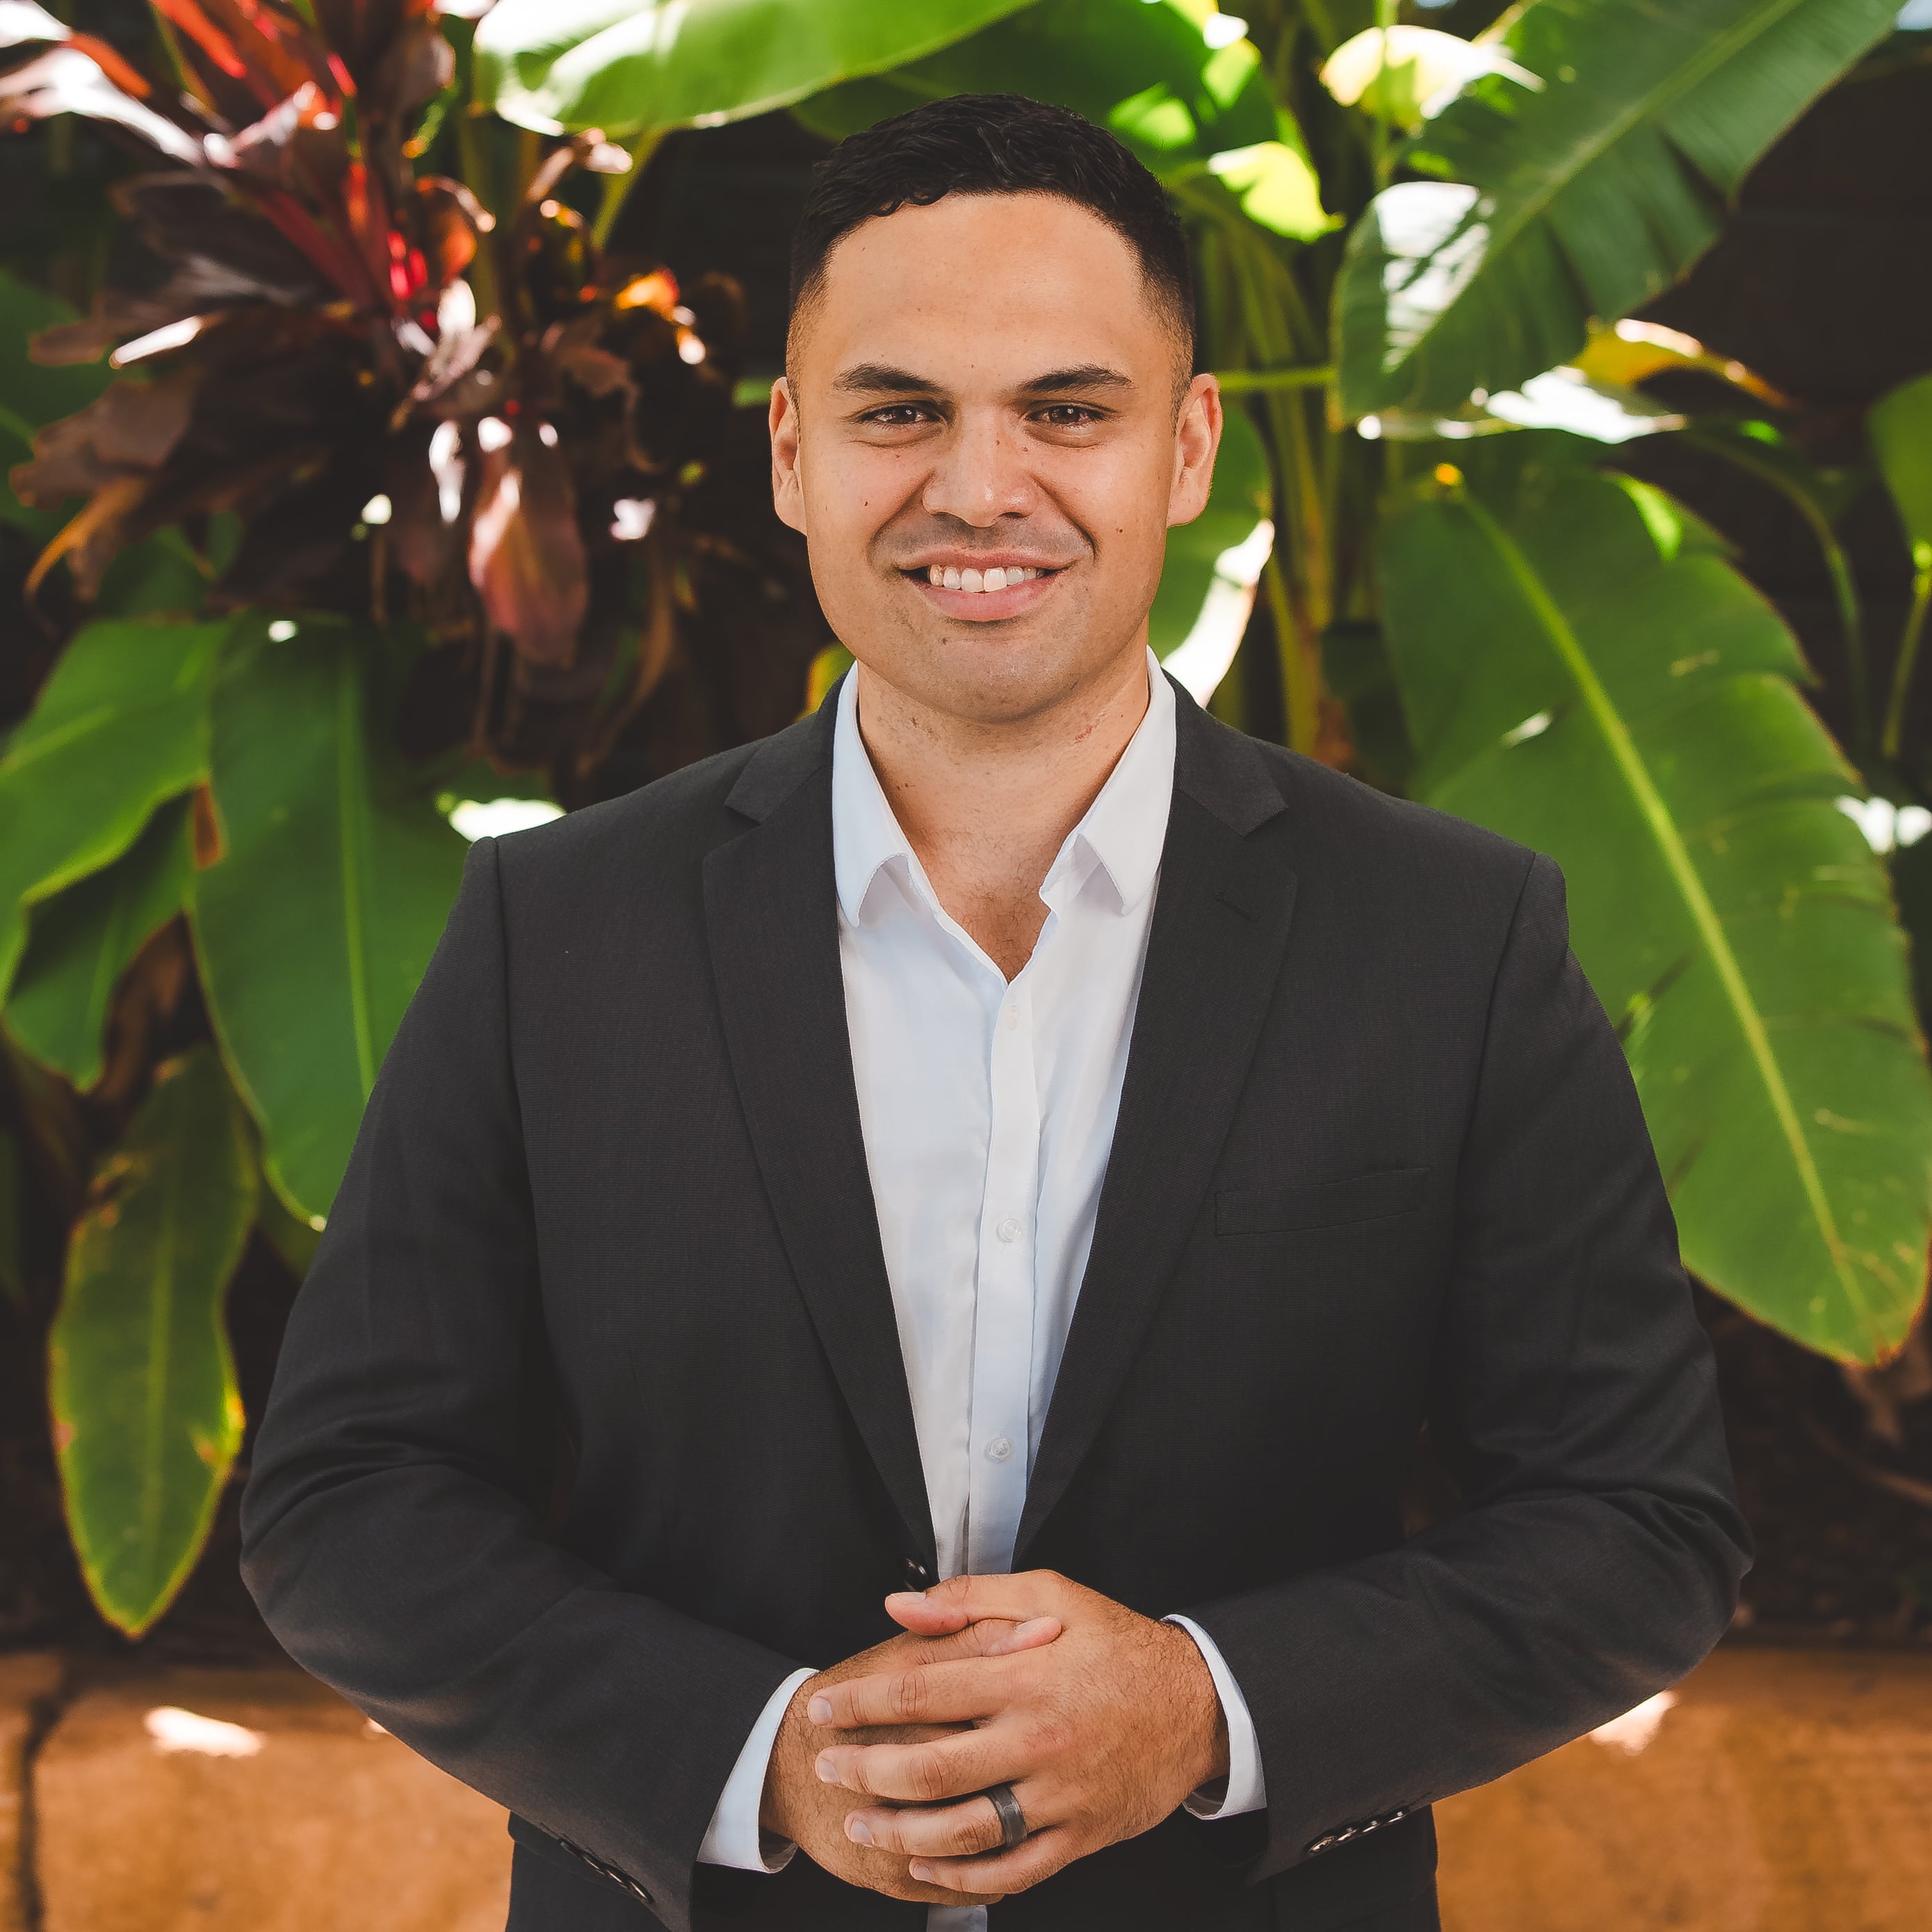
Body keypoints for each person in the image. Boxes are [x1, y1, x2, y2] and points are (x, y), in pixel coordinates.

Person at [241, 92, 1751, 1932]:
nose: (978, 488)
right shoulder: (553, 932)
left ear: (1185, 447)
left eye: (1066, 410)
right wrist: (765, 1757)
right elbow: (349, 1495)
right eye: (898, 412)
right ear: (791, 451)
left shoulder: (1451, 939)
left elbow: (1637, 1521)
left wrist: (1205, 1708)